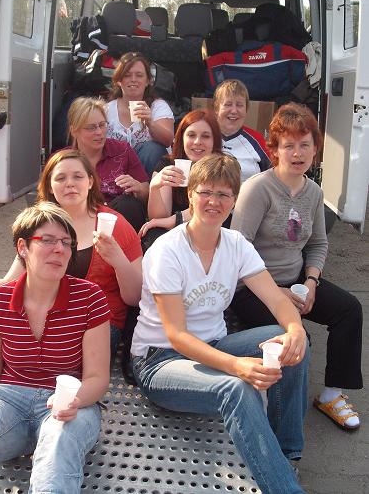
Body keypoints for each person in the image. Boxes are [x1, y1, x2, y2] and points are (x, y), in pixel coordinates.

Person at [0, 149, 142, 453]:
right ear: (50, 186)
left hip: (93, 323)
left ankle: (21, 408)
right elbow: (12, 283)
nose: (70, 183)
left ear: (90, 182)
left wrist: (117, 259)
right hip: (42, 312)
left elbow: (134, 296)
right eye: (61, 178)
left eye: (77, 176)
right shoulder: (44, 225)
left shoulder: (114, 224)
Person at [131, 154, 309, 494]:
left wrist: (296, 330)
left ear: (234, 200)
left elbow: (276, 300)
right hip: (160, 359)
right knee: (236, 388)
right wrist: (236, 366)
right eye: (205, 192)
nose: (214, 201)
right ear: (190, 194)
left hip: (213, 346)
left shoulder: (236, 244)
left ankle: (286, 455)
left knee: (289, 343)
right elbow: (177, 336)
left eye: (224, 194)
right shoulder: (167, 251)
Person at [0, 202, 111, 493]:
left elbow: (97, 377)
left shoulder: (89, 297)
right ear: (23, 247)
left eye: (66, 242)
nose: (59, 249)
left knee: (59, 441)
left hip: (67, 404)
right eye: (48, 240)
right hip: (7, 402)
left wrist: (75, 400)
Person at [231, 102, 363, 430]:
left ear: (316, 149)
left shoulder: (313, 192)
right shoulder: (258, 189)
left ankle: (332, 394)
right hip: (252, 289)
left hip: (296, 282)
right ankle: (280, 414)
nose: (297, 153)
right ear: (274, 150)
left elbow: (318, 243)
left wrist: (312, 281)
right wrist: (276, 291)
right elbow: (238, 250)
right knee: (299, 341)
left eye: (305, 144)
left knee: (349, 310)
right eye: (288, 145)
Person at [140, 109, 221, 246]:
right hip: (173, 231)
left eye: (206, 136)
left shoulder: (222, 167)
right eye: (191, 135)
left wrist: (174, 220)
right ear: (181, 138)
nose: (197, 142)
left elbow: (211, 206)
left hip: (208, 226)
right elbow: (158, 218)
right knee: (154, 233)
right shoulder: (168, 164)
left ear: (215, 140)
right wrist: (154, 187)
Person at [68, 96, 149, 231]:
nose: (99, 132)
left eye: (102, 125)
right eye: (91, 128)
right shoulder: (64, 160)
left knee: (128, 205)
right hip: (79, 221)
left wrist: (138, 187)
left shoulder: (122, 150)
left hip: (118, 220)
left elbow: (147, 192)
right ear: (74, 131)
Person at [107, 51, 174, 176]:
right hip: (116, 169)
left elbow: (168, 141)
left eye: (139, 75)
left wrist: (150, 122)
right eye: (127, 75)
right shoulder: (106, 110)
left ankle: (144, 187)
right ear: (119, 80)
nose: (133, 80)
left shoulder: (158, 106)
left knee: (152, 148)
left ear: (148, 81)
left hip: (147, 172)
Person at [214, 78, 270, 182]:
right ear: (217, 108)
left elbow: (273, 177)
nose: (234, 111)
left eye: (239, 105)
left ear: (246, 109)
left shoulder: (257, 140)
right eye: (228, 104)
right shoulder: (205, 136)